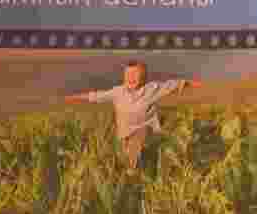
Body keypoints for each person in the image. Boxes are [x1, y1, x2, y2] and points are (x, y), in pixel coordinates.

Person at [64, 61, 203, 172]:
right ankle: (133, 173)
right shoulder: (117, 92)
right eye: (128, 75)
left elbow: (173, 85)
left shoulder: (151, 89)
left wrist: (194, 84)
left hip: (147, 132)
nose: (131, 78)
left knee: (140, 138)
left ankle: (130, 172)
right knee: (132, 159)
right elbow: (95, 96)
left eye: (135, 75)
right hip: (125, 135)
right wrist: (73, 98)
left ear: (143, 77)